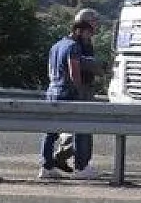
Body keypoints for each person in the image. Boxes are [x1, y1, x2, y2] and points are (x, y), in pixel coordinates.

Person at [41, 10, 118, 183]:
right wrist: (79, 89)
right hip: (69, 92)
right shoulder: (74, 47)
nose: (92, 33)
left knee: (50, 132)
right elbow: (74, 70)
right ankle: (82, 167)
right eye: (90, 29)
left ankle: (46, 166)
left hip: (52, 91)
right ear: (81, 29)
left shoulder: (56, 46)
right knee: (82, 129)